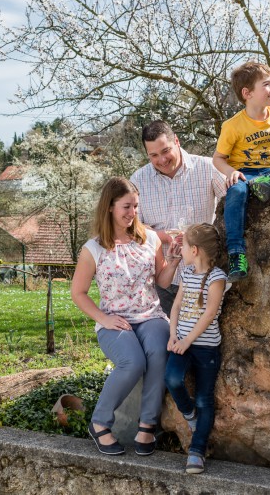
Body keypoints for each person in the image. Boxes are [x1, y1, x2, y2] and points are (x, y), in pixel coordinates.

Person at [71, 177, 181, 456]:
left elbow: (163, 282)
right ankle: (99, 423)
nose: (132, 213)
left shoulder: (150, 238)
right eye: (126, 207)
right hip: (114, 321)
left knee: (159, 352)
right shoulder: (92, 249)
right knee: (132, 362)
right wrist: (104, 319)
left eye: (135, 206)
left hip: (150, 315)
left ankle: (147, 426)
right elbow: (79, 293)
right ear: (109, 207)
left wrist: (175, 262)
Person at [212, 61, 270, 282]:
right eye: (267, 85)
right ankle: (236, 253)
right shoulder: (232, 126)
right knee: (237, 192)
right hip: (245, 173)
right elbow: (218, 158)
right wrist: (231, 172)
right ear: (247, 93)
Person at [131, 120, 226, 314]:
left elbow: (233, 208)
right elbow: (132, 228)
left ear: (177, 141)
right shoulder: (138, 180)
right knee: (169, 340)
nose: (162, 160)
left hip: (205, 276)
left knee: (202, 338)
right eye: (154, 155)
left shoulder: (208, 168)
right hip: (163, 280)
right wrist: (162, 236)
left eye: (166, 151)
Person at [164, 223, 227, 474]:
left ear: (196, 250)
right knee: (173, 379)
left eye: (186, 246)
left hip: (205, 348)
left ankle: (197, 451)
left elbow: (209, 313)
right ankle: (189, 415)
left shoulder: (217, 277)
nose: (183, 250)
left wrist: (187, 341)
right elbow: (177, 306)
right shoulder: (186, 273)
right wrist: (172, 335)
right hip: (180, 344)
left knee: (204, 398)